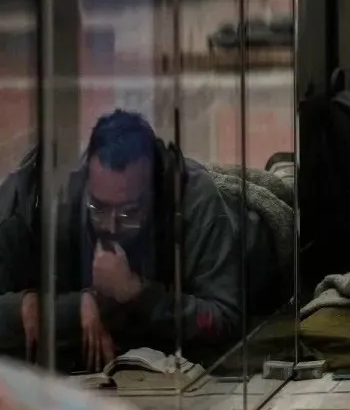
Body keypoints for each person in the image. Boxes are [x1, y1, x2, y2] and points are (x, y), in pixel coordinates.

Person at [0, 111, 242, 370]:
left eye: (129, 213)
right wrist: (63, 306)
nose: (111, 226)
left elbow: (223, 321)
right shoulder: (55, 199)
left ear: (153, 193)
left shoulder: (196, 203)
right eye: (99, 208)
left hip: (251, 239)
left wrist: (138, 293)